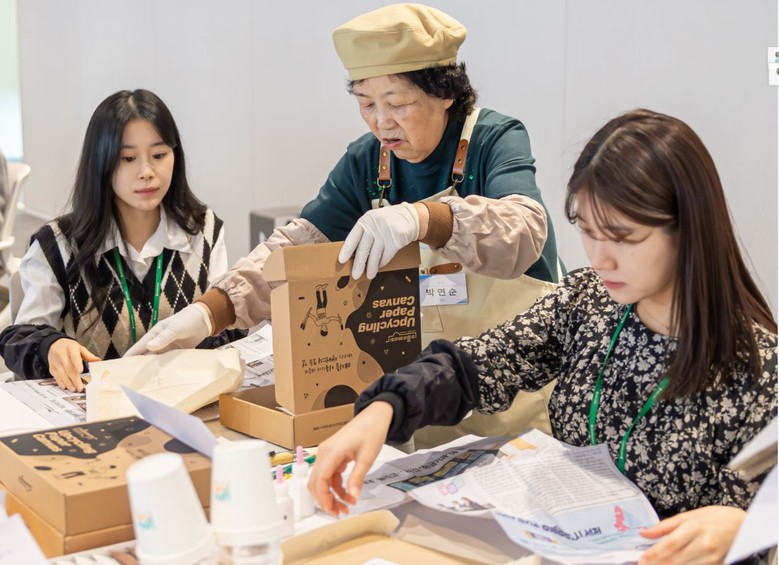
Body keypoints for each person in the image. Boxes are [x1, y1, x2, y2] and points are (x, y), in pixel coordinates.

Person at [308, 109, 777, 564]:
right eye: (588, 232)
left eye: (623, 237)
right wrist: (387, 407)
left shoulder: (758, 367)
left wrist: (745, 527)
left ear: (689, 229)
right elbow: (482, 363)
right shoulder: (588, 301)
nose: (601, 258)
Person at [125, 4, 561, 443]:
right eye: (366, 103)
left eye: (398, 103)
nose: (381, 122)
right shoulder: (367, 161)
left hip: (514, 408)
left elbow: (524, 231)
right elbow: (295, 250)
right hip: (423, 404)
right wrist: (209, 312)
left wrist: (424, 218)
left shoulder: (494, 139)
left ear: (446, 92)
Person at [0, 89, 243, 392]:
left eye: (159, 155)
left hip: (184, 403)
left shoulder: (203, 231)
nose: (146, 172)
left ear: (175, 157)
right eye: (127, 158)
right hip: (93, 405)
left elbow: (226, 327)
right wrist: (51, 346)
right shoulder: (58, 245)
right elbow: (21, 338)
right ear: (101, 162)